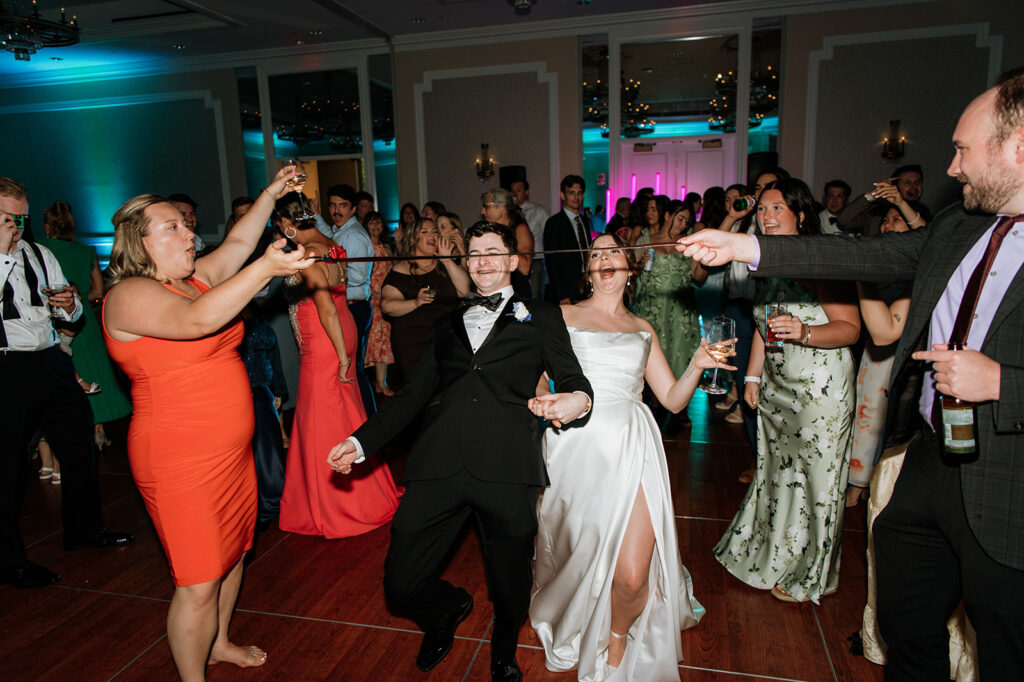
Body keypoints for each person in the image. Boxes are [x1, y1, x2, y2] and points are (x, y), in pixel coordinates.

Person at [676, 67, 1024, 679]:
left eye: (964, 149)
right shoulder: (960, 226)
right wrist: (745, 248)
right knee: (905, 615)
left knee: (1006, 641)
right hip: (932, 458)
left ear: (1017, 146)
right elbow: (862, 253)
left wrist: (1003, 383)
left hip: (1010, 480)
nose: (951, 167)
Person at [328, 222, 593, 682]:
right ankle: (445, 608)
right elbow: (412, 396)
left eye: (494, 251)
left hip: (507, 464)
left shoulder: (543, 313)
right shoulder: (447, 320)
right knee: (400, 583)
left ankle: (504, 651)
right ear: (466, 263)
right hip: (439, 461)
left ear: (512, 260)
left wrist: (575, 402)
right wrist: (359, 441)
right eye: (475, 253)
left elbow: (574, 381)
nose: (484, 261)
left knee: (509, 584)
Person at [102, 168, 312, 679]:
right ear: (139, 241)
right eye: (172, 226)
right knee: (197, 581)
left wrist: (269, 193)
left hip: (230, 454)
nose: (189, 232)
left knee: (234, 554)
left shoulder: (195, 279)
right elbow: (198, 322)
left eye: (187, 224)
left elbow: (240, 238)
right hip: (178, 458)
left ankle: (217, 642)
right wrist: (265, 269)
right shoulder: (128, 295)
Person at [530, 234, 722, 681]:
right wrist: (545, 402)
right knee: (581, 555)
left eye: (613, 251)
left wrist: (698, 361)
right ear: (589, 270)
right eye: (596, 253)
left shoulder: (643, 328)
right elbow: (539, 378)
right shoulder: (562, 315)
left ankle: (616, 646)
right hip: (574, 447)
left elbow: (672, 401)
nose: (605, 257)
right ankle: (571, 616)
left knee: (633, 575)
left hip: (633, 444)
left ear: (630, 267)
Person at [713, 178, 860, 604]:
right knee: (778, 475)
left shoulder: (820, 258)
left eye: (777, 208)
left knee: (817, 483)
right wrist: (754, 377)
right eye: (761, 209)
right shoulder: (767, 260)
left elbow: (849, 329)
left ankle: (810, 573)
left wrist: (806, 331)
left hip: (820, 390)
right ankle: (772, 556)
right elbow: (765, 322)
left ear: (799, 213)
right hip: (779, 388)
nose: (766, 216)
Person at [1, 177, 133, 590]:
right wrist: (4, 255)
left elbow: (72, 319)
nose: (17, 225)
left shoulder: (39, 254)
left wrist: (71, 303)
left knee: (79, 447)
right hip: (6, 367)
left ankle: (83, 530)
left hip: (50, 359)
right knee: (8, 467)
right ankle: (9, 561)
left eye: (21, 216)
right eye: (8, 217)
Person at [273, 194, 401, 539]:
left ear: (287, 225)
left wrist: (344, 355)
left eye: (279, 229)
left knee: (320, 415)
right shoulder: (331, 243)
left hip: (325, 335)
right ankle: (362, 489)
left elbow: (326, 307)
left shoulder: (309, 253)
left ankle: (332, 502)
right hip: (340, 327)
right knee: (343, 408)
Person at [847, 207, 925, 507]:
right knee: (866, 415)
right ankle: (860, 481)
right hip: (872, 354)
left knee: (886, 423)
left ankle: (872, 486)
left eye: (897, 220)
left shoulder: (917, 273)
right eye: (886, 220)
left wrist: (859, 273)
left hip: (904, 361)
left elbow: (889, 330)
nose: (888, 225)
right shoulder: (884, 268)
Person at [38, 200, 132, 448]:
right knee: (93, 372)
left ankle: (59, 439)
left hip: (53, 321)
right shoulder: (86, 252)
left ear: (47, 227)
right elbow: (98, 292)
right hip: (84, 320)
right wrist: (77, 300)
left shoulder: (39, 250)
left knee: (65, 373)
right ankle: (98, 429)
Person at [381, 217, 470, 384]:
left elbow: (464, 290)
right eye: (425, 232)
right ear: (414, 238)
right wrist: (415, 302)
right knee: (418, 393)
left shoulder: (444, 265)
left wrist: (447, 261)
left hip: (446, 341)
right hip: (413, 343)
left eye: (435, 232)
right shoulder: (402, 269)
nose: (432, 235)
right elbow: (387, 306)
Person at [315, 184, 376, 417]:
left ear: (352, 208)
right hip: (346, 308)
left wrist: (326, 292)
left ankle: (369, 419)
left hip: (355, 308)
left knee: (355, 368)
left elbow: (358, 279)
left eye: (342, 206)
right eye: (332, 205)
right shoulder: (340, 231)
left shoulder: (354, 235)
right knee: (347, 366)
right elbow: (330, 237)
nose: (336, 210)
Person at [633, 201, 705, 393]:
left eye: (686, 222)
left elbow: (698, 276)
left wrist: (706, 259)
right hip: (652, 309)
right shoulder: (646, 241)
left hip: (679, 311)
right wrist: (639, 264)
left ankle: (679, 404)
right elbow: (632, 277)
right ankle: (655, 399)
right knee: (653, 356)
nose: (682, 225)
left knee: (680, 356)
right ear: (667, 215)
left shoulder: (688, 243)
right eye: (680, 219)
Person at [837, 164, 929, 237]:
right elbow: (844, 220)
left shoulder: (924, 215)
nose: (914, 187)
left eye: (917, 182)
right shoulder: (877, 212)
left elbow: (926, 236)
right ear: (895, 185)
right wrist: (874, 194)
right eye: (907, 183)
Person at [363, 210, 396, 396]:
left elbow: (392, 272)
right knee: (374, 342)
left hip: (386, 298)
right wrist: (370, 290)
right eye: (371, 223)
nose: (375, 227)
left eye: (378, 223)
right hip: (372, 299)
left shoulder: (387, 248)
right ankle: (377, 382)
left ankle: (381, 382)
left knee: (384, 341)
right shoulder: (365, 248)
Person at [544, 175, 591, 304]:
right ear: (563, 195)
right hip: (565, 291)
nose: (576, 197)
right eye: (571, 193)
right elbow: (551, 262)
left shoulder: (584, 221)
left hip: (585, 287)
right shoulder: (554, 223)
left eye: (579, 193)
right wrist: (562, 295)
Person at [481, 187, 533, 297]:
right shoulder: (487, 231)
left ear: (501, 208)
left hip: (516, 289)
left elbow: (525, 268)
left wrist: (503, 242)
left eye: (486, 206)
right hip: (493, 288)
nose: (482, 211)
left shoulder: (519, 229)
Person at [509, 178, 551, 298]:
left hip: (535, 260)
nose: (515, 193)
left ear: (526, 192)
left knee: (535, 296)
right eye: (512, 190)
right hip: (513, 260)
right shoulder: (508, 213)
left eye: (518, 190)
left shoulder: (538, 211)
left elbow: (548, 236)